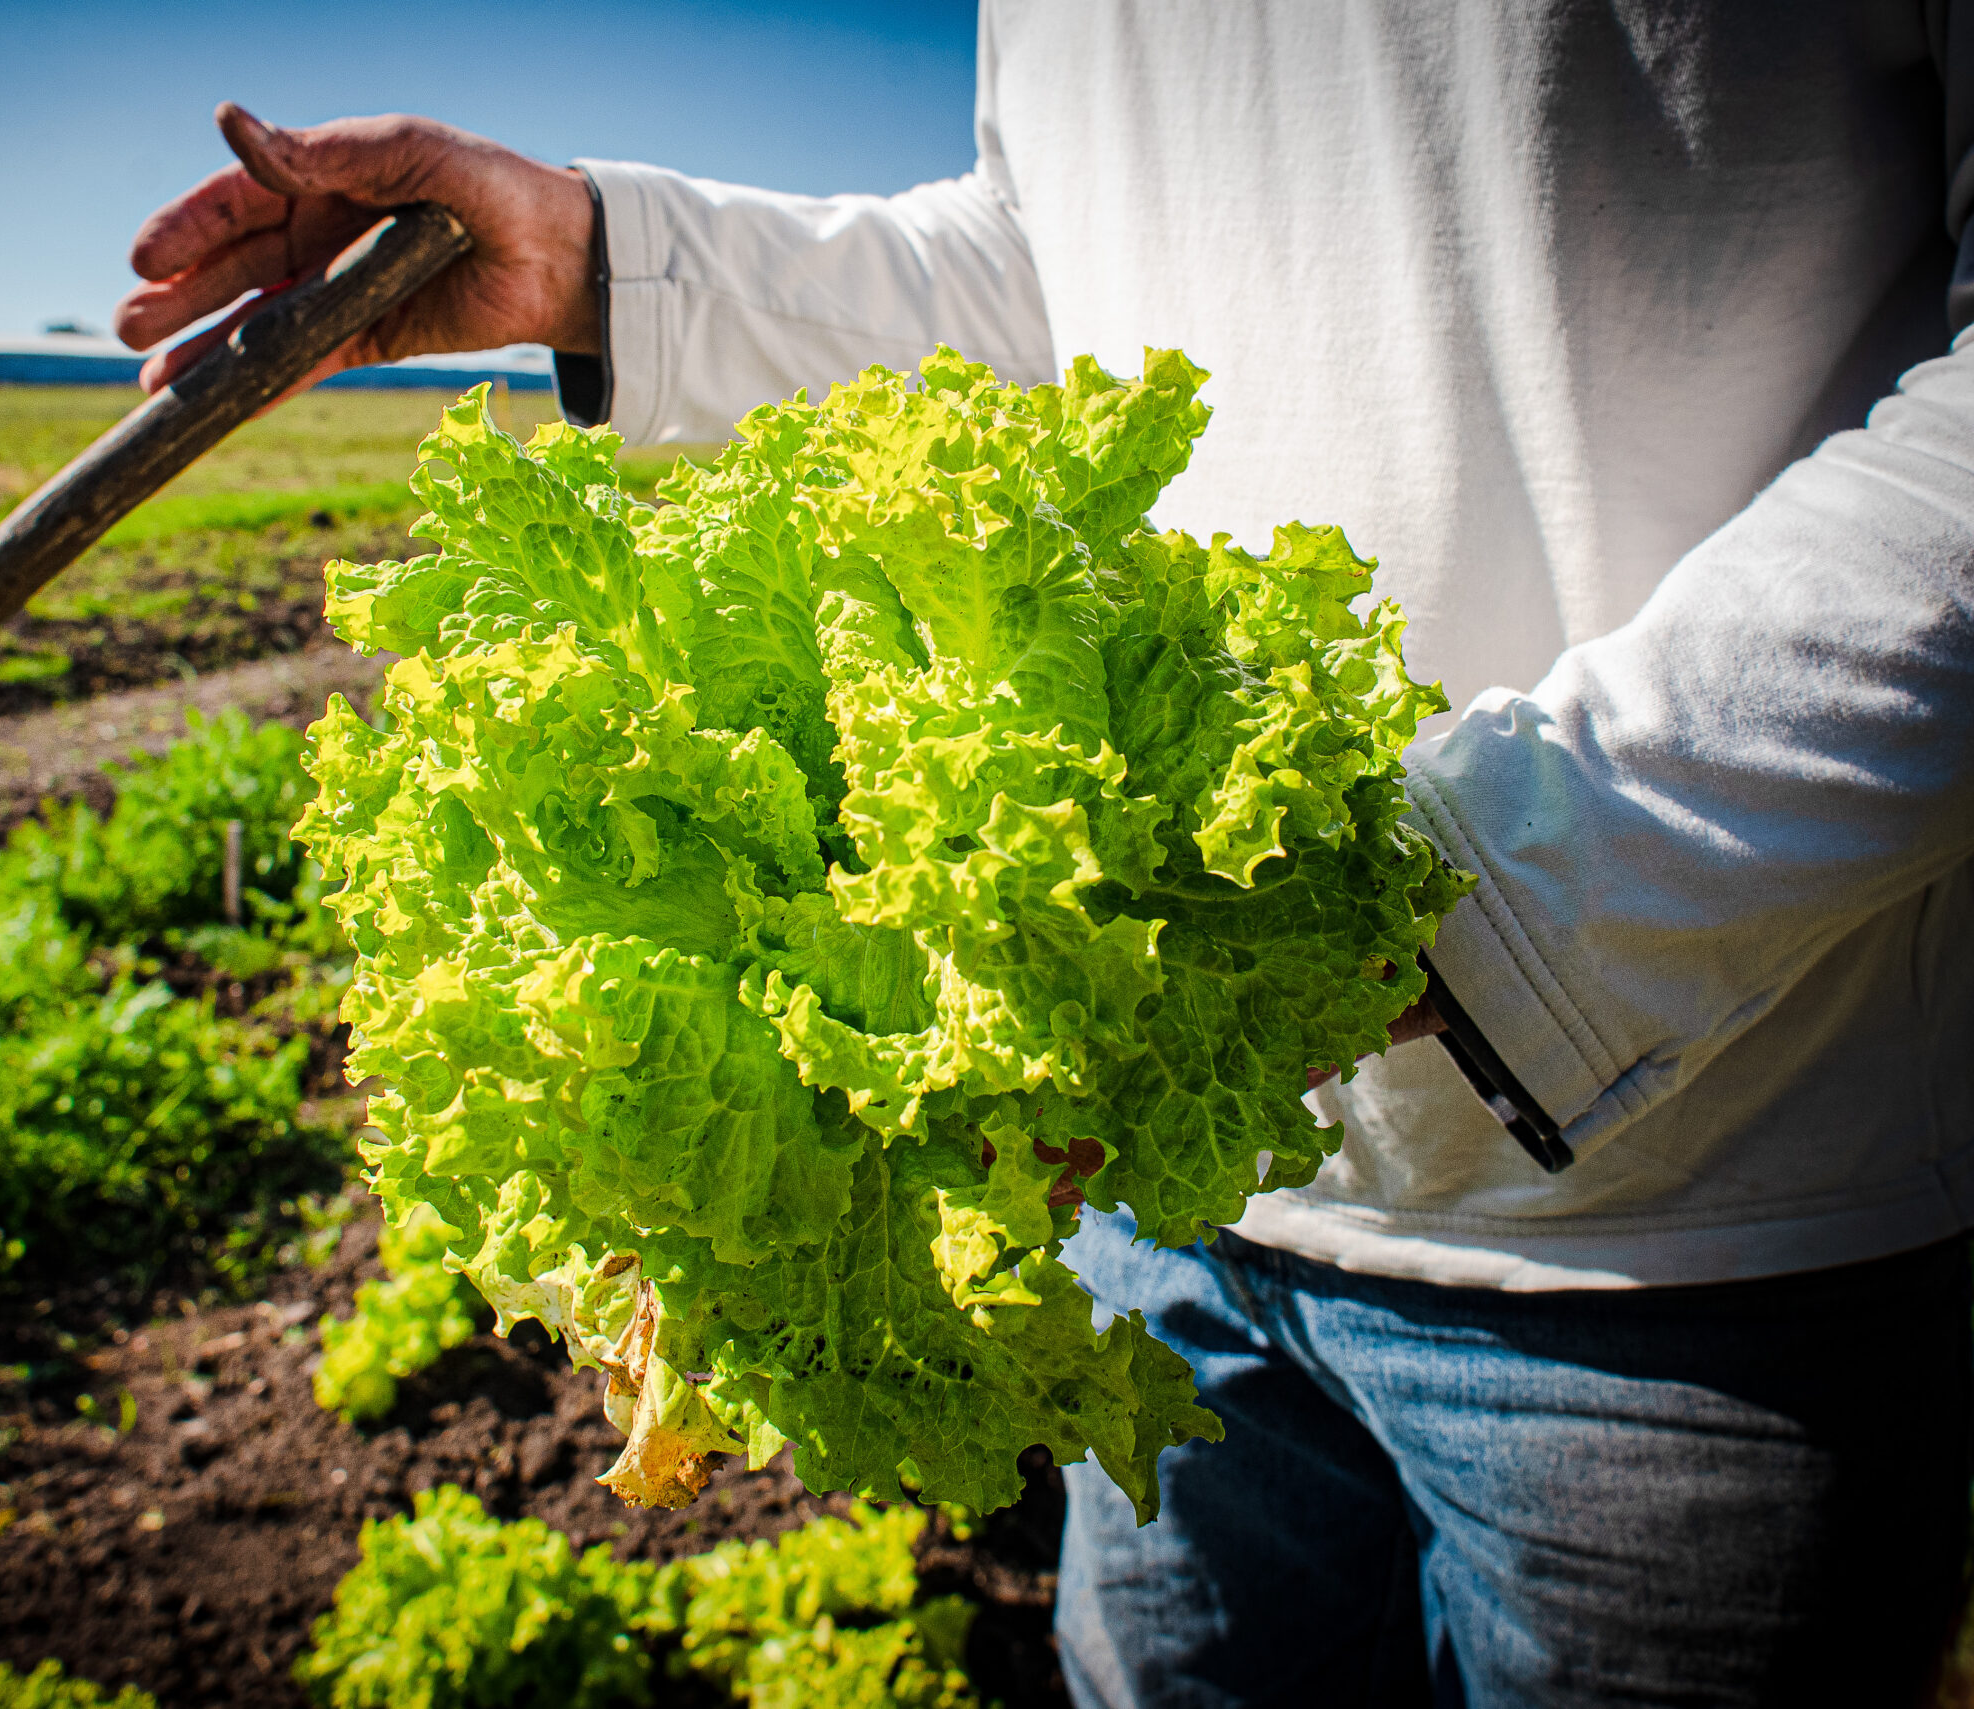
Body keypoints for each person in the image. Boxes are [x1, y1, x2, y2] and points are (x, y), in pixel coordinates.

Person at [115, 6, 1974, 1702]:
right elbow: (1051, 285)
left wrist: (1483, 886)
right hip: (1165, 1215)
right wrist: (609, 263)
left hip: (1700, 1215)